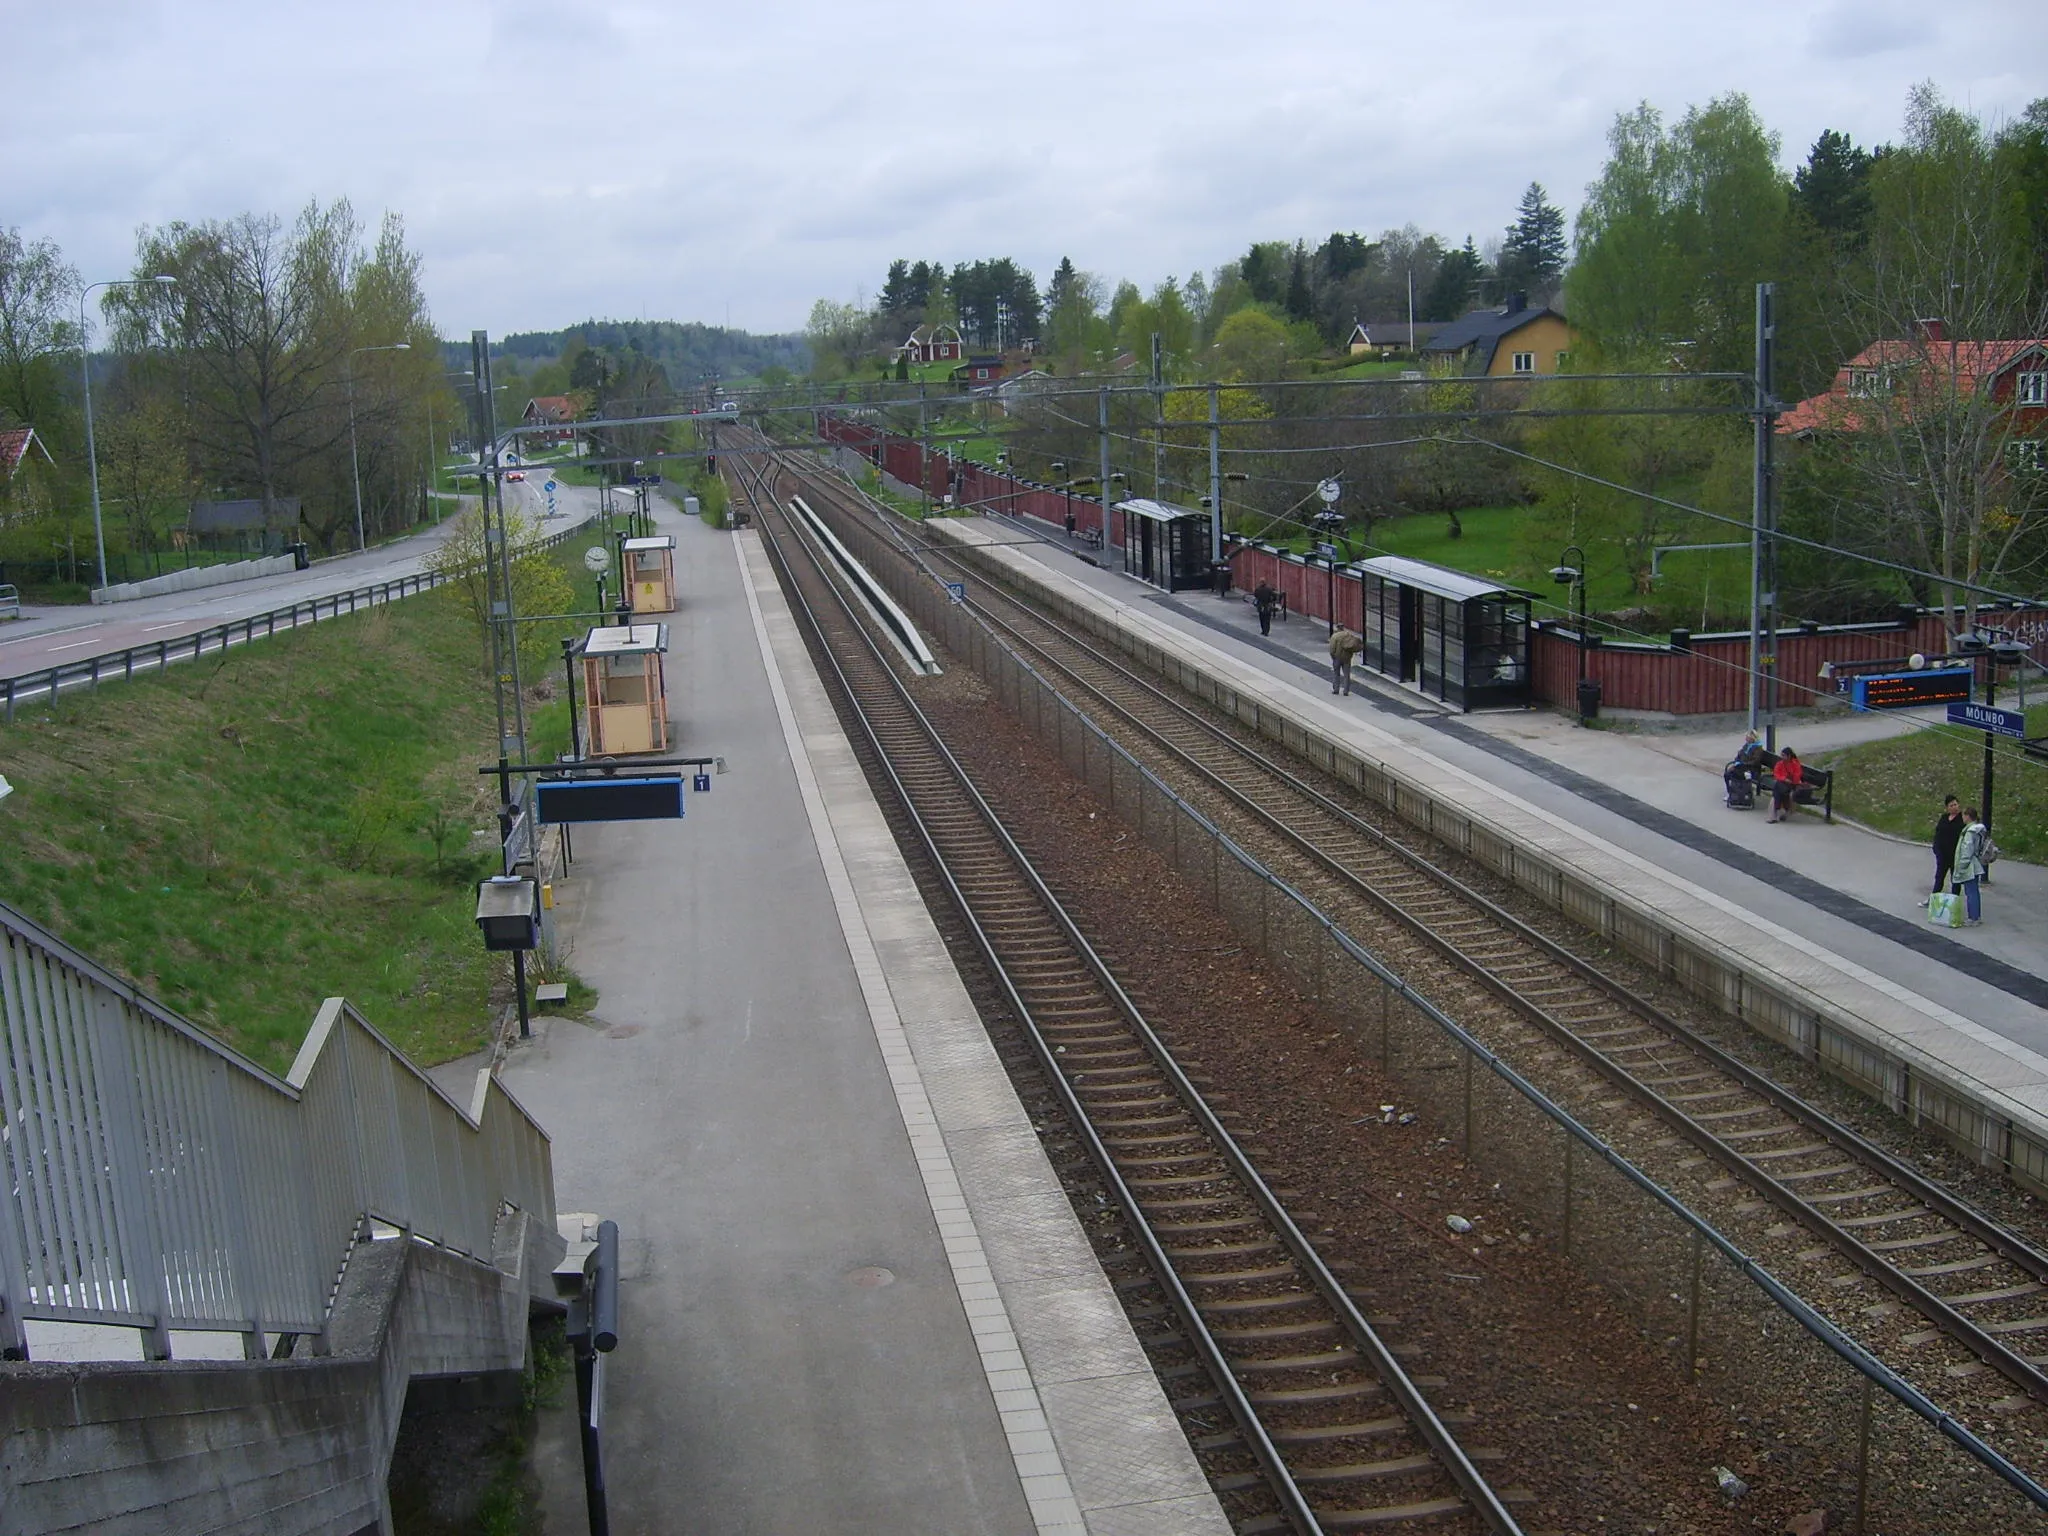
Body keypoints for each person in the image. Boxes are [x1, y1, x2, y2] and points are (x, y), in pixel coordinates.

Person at [1920, 796, 1965, 908]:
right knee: (1939, 878)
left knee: (1955, 880)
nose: (1954, 807)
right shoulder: (1944, 818)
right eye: (1951, 805)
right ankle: (1933, 899)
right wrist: (1936, 848)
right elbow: (1938, 833)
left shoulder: (1962, 819)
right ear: (1947, 808)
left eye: (1956, 804)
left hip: (1955, 855)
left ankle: (1954, 903)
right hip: (1942, 855)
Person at [1952, 807, 1990, 925]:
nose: (1962, 818)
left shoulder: (1969, 832)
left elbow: (1966, 850)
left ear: (1968, 816)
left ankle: (1972, 918)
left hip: (1970, 865)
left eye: (1964, 815)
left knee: (1970, 892)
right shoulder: (1979, 830)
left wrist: (1961, 866)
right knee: (1974, 891)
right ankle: (1976, 916)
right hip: (1976, 863)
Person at [1766, 746, 1803, 822]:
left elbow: (1796, 778)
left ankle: (1774, 815)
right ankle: (1779, 813)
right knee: (1778, 788)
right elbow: (1776, 774)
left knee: (1776, 789)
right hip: (1782, 784)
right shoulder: (1780, 764)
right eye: (1781, 755)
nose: (1782, 757)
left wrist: (1788, 779)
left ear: (1789, 756)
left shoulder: (1795, 764)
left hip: (1792, 785)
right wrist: (1784, 779)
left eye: (1784, 755)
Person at [1329, 626, 1363, 695]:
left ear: (1337, 628)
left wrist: (1333, 657)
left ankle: (1336, 689)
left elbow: (1332, 650)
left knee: (1336, 674)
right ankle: (1346, 691)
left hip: (1337, 658)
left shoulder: (1335, 636)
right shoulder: (1349, 635)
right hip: (1347, 658)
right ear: (1343, 628)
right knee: (1346, 675)